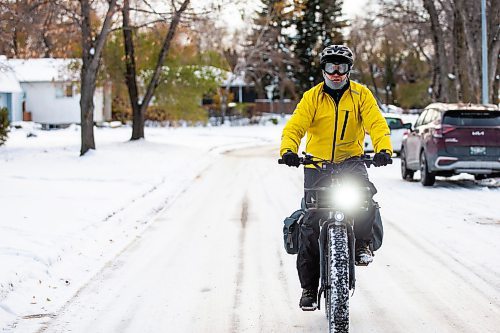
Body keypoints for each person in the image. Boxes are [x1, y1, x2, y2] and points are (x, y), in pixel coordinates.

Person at [279, 44, 392, 311]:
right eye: (331, 67)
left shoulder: (361, 95)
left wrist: (383, 148)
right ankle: (308, 288)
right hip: (317, 166)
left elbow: (376, 123)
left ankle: (363, 244)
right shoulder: (312, 97)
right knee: (310, 223)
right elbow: (295, 126)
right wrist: (288, 150)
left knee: (364, 199)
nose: (337, 73)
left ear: (349, 70)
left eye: (342, 67)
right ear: (323, 69)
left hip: (351, 162)